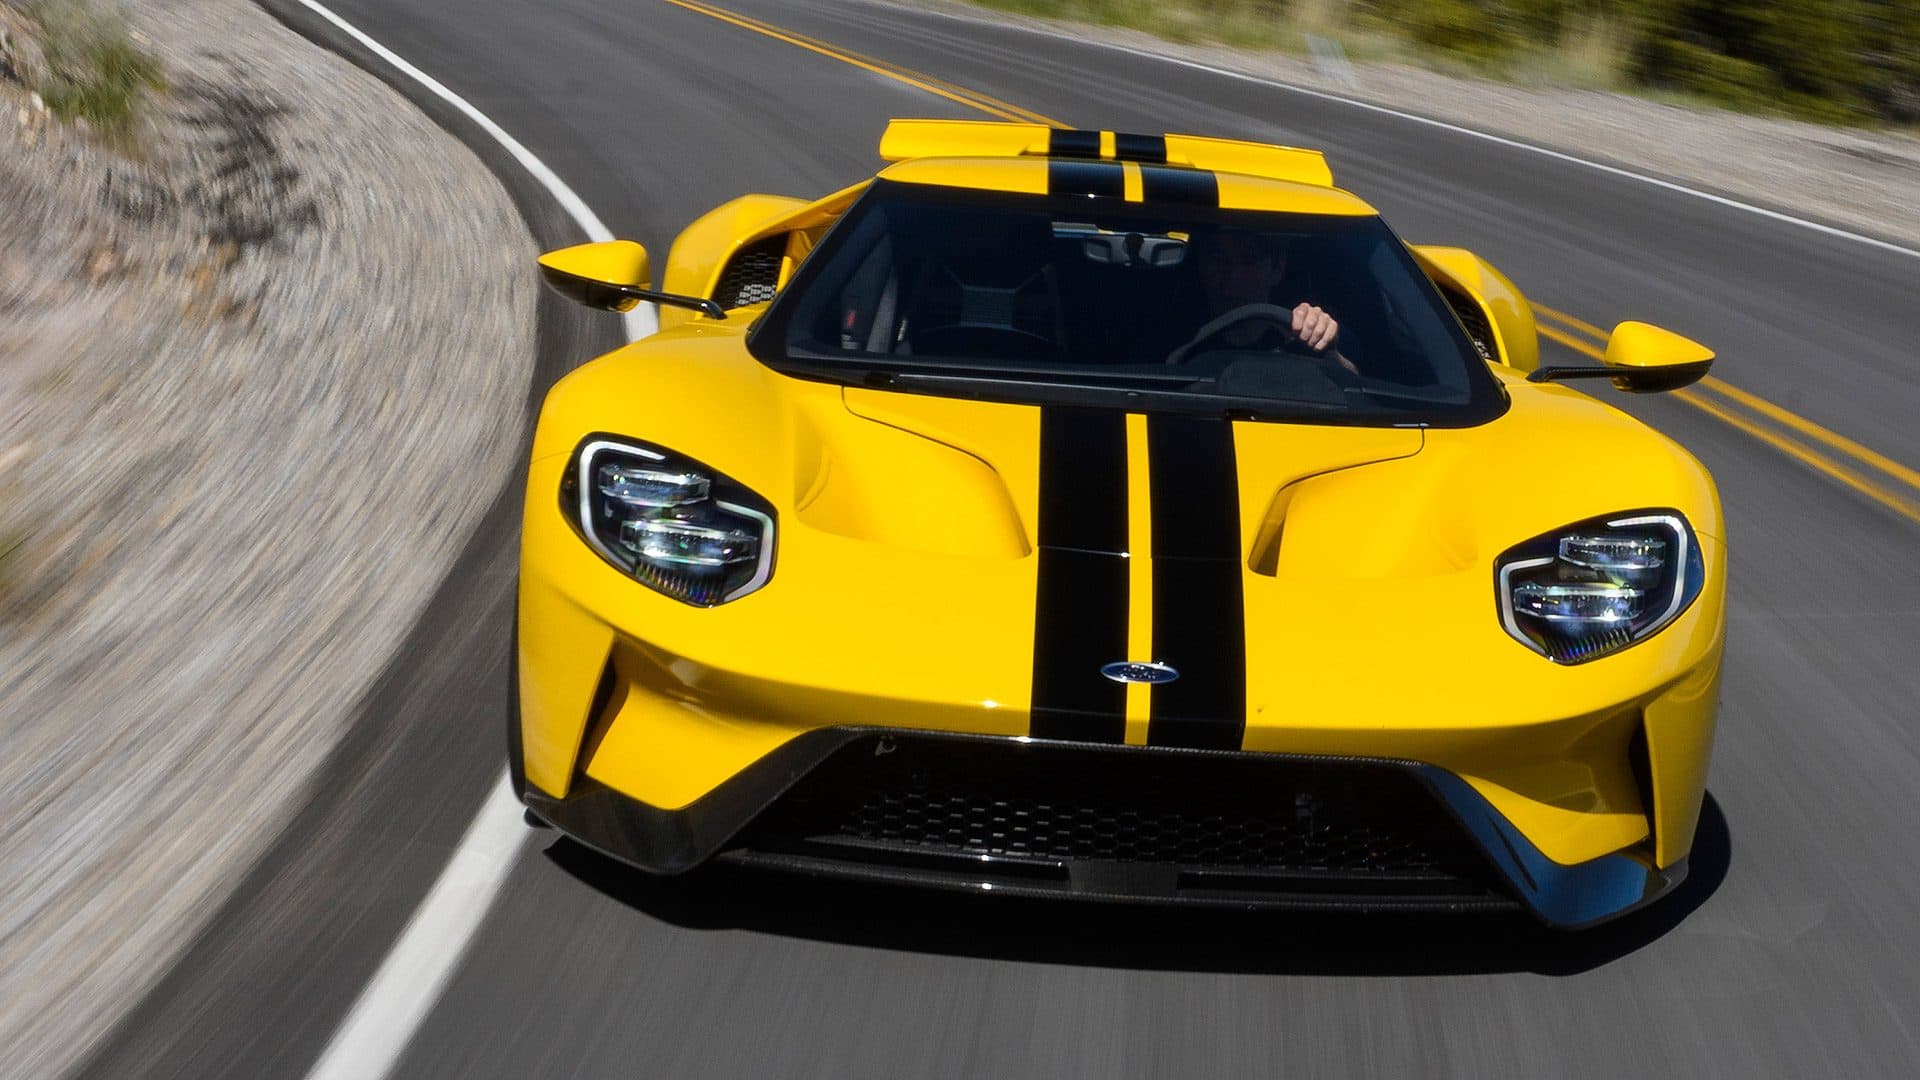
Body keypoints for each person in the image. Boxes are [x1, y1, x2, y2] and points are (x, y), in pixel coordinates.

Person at [1185, 228, 1357, 374]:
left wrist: (1326, 351)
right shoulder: (1177, 334)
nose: (1232, 276)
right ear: (1200, 264)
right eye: (1218, 259)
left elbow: (1358, 388)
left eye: (1249, 260)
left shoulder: (1298, 337)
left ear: (1277, 269)